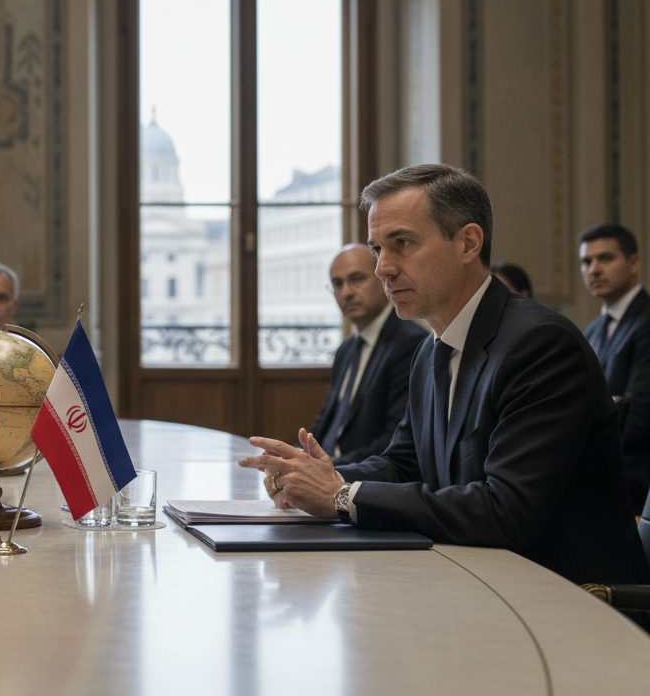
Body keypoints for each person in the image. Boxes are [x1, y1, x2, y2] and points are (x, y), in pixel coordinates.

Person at [239, 164, 648, 586]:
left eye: (402, 243)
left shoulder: (539, 344)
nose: (383, 268)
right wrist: (318, 477)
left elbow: (507, 510)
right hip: (479, 577)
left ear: (468, 243)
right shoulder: (431, 348)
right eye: (378, 249)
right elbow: (404, 463)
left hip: (569, 597)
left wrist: (341, 496)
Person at [308, 244, 427, 464]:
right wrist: (294, 455)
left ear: (383, 280)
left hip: (363, 476)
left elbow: (395, 440)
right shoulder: (346, 349)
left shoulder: (410, 343)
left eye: (357, 279)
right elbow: (326, 421)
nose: (346, 293)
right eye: (337, 284)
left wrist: (328, 468)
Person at [579, 223, 650, 512]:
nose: (594, 269)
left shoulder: (646, 321)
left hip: (634, 481)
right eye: (586, 261)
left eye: (605, 258)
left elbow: (639, 415)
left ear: (634, 263)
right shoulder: (592, 329)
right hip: (601, 474)